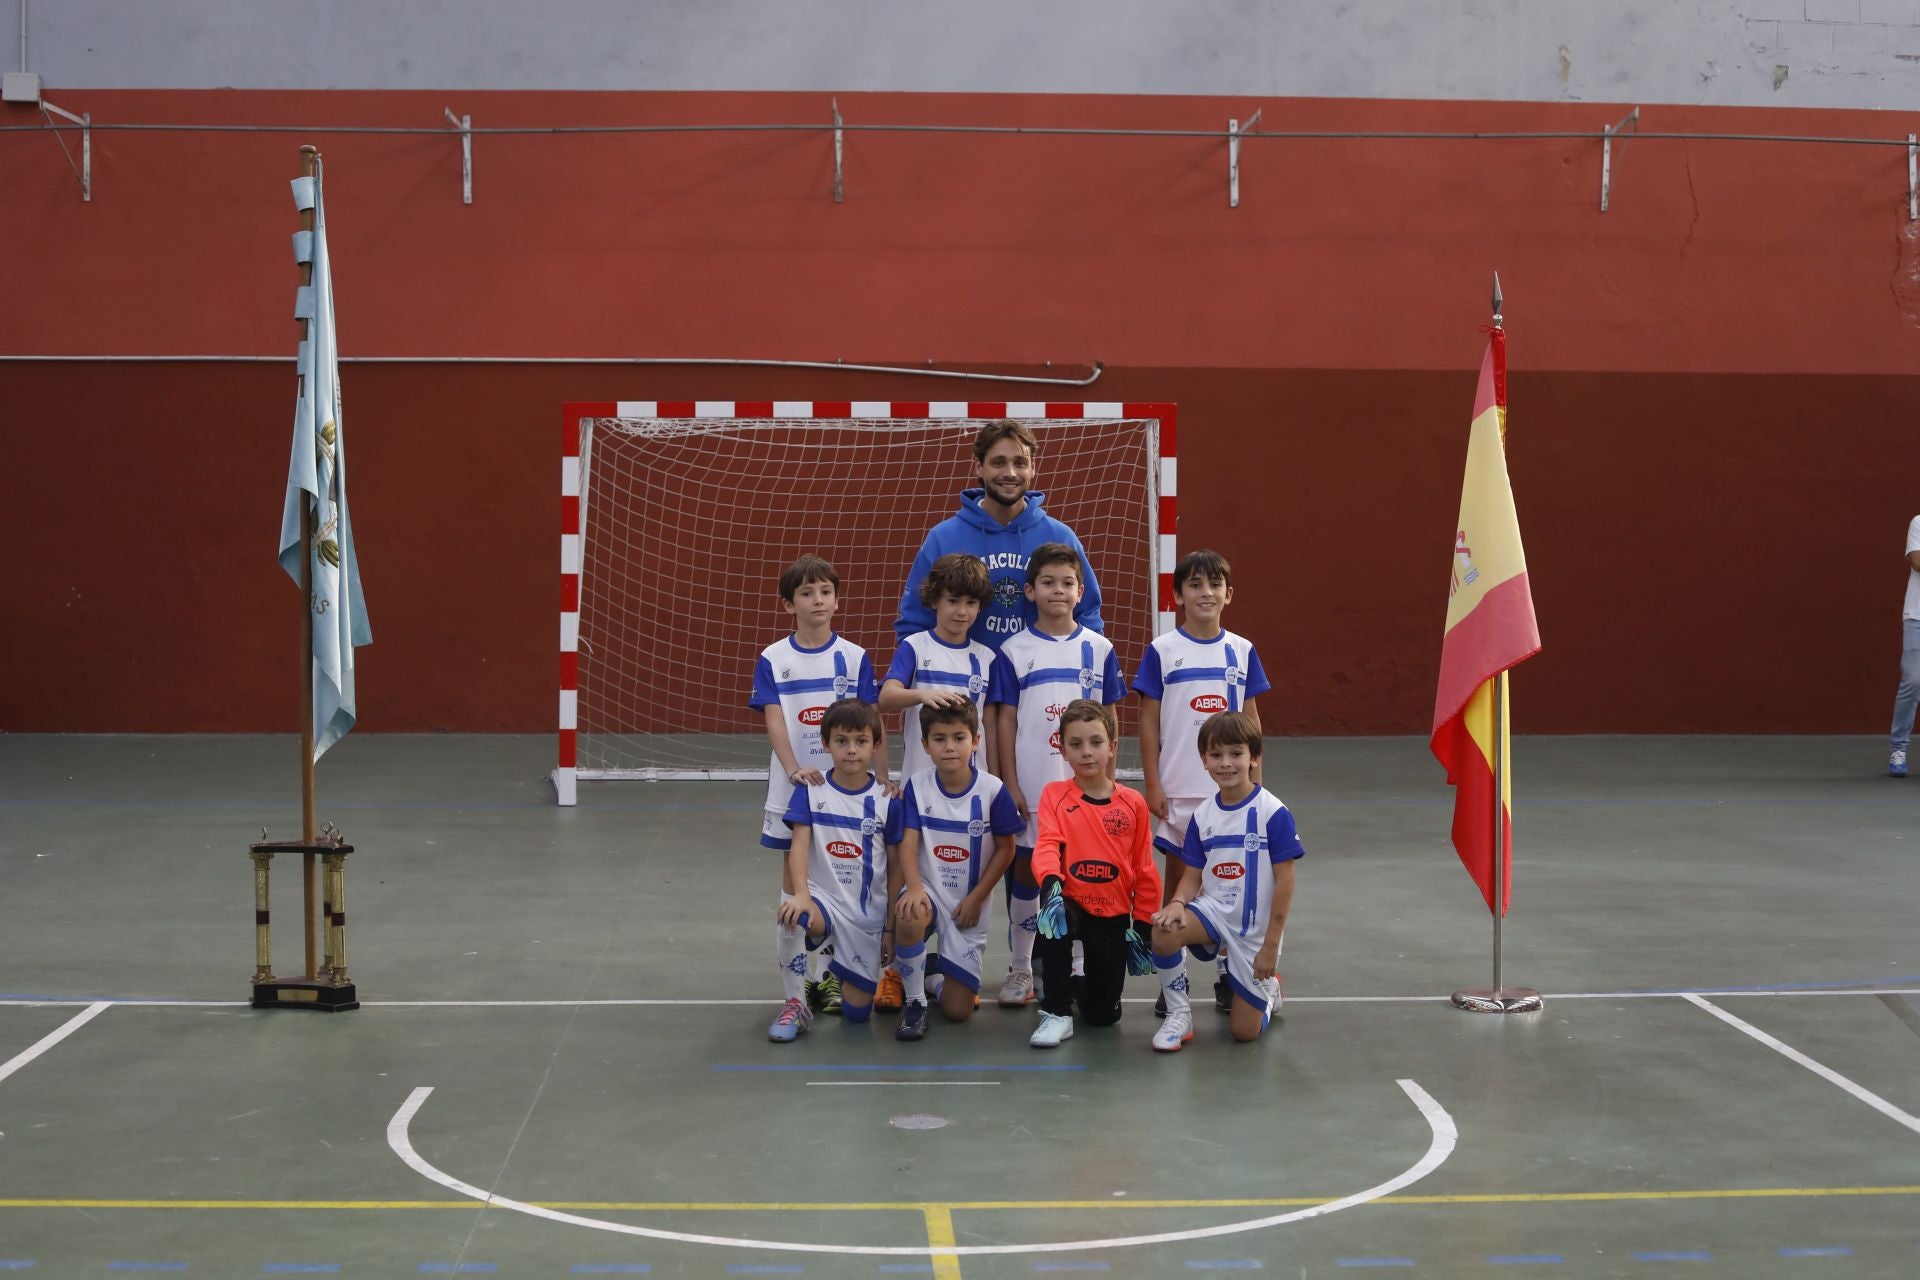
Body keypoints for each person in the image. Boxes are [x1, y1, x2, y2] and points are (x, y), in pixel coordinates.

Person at [986, 544, 1128, 1007]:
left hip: (1087, 788)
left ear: (1080, 590)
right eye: (1048, 582)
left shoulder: (1098, 648)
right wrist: (1008, 781)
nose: (1058, 591)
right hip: (1033, 783)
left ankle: (1077, 966)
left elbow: (1109, 715)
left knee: (1085, 875)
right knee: (1028, 875)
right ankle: (1022, 968)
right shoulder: (1013, 651)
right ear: (1029, 591)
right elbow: (1004, 719)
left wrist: (1108, 778)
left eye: (1067, 583)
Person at [1132, 548, 1271, 1018]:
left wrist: (1258, 783)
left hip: (1231, 794)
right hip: (1178, 791)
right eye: (1194, 584)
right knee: (1181, 887)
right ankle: (1175, 981)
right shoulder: (1162, 651)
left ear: (1229, 594)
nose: (1205, 592)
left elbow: (1251, 719)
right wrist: (1153, 783)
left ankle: (1232, 976)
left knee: (1236, 884)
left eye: (1214, 584)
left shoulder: (1243, 650)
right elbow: (1149, 722)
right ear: (1178, 596)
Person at [749, 554, 882, 1020]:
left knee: (835, 882)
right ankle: (793, 994)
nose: (817, 600)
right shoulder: (774, 658)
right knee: (795, 886)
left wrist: (881, 779)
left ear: (837, 599)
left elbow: (870, 723)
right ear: (789, 604)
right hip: (795, 789)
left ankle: (823, 980)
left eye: (825, 591)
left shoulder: (854, 656)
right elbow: (776, 722)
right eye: (807, 593)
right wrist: (793, 771)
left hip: (845, 791)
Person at [1149, 711, 1304, 1052]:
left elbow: (1285, 883)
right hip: (1213, 914)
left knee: (1243, 1033)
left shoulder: (1273, 813)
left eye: (1236, 753)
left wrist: (1270, 948)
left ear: (1254, 758)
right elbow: (1191, 877)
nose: (1226, 763)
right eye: (1216, 755)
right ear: (1204, 760)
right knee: (1163, 930)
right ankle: (1179, 1014)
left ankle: (1269, 993)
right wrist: (1177, 903)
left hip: (1255, 933)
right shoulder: (1203, 815)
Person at [895, 420, 1104, 648]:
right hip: (964, 680)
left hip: (1039, 681)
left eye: (1020, 463)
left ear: (1033, 468)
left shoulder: (1059, 536)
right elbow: (915, 623)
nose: (1010, 473)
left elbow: (1087, 615)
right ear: (979, 467)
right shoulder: (943, 538)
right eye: (998, 462)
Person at [1027, 700, 1161, 1048]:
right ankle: (1057, 1012)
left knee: (1104, 1016)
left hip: (1112, 910)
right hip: (1069, 901)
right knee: (1053, 918)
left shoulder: (1133, 803)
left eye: (1096, 742)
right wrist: (1051, 883)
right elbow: (1046, 846)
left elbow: (1144, 867)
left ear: (1113, 746)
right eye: (1076, 744)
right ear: (1063, 750)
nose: (1087, 752)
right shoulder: (1054, 795)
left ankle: (1078, 988)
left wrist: (1144, 923)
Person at [768, 699, 903, 1042]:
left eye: (861, 741)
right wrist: (801, 895)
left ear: (875, 745)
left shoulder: (888, 800)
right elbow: (798, 845)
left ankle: (923, 970)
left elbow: (897, 865)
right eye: (841, 741)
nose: (851, 750)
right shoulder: (812, 791)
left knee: (857, 1014)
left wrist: (889, 929)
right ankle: (796, 1001)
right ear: (826, 744)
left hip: (865, 916)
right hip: (823, 901)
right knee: (792, 914)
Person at [889, 702, 1023, 1040]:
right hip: (930, 894)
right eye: (939, 738)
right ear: (925, 746)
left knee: (957, 1012)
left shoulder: (993, 791)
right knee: (908, 914)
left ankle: (932, 972)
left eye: (958, 737)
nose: (949, 746)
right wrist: (915, 889)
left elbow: (1007, 849)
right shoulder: (917, 787)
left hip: (968, 905)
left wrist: (977, 898)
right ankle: (916, 1002)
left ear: (975, 740)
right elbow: (907, 844)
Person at [1889, 514, 1920, 778]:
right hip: (1917, 617)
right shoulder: (1919, 523)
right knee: (1913, 679)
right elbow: (1918, 562)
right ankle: (1898, 748)